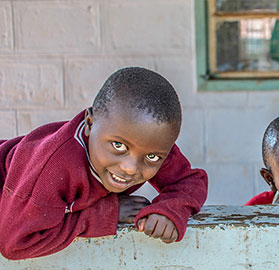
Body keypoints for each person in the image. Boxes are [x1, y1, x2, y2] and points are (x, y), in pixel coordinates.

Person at [0, 67, 208, 260]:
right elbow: (16, 243)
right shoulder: (53, 167)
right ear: (90, 124)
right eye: (118, 146)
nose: (130, 167)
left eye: (152, 158)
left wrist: (171, 210)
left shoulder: (148, 145)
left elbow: (190, 181)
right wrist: (107, 213)